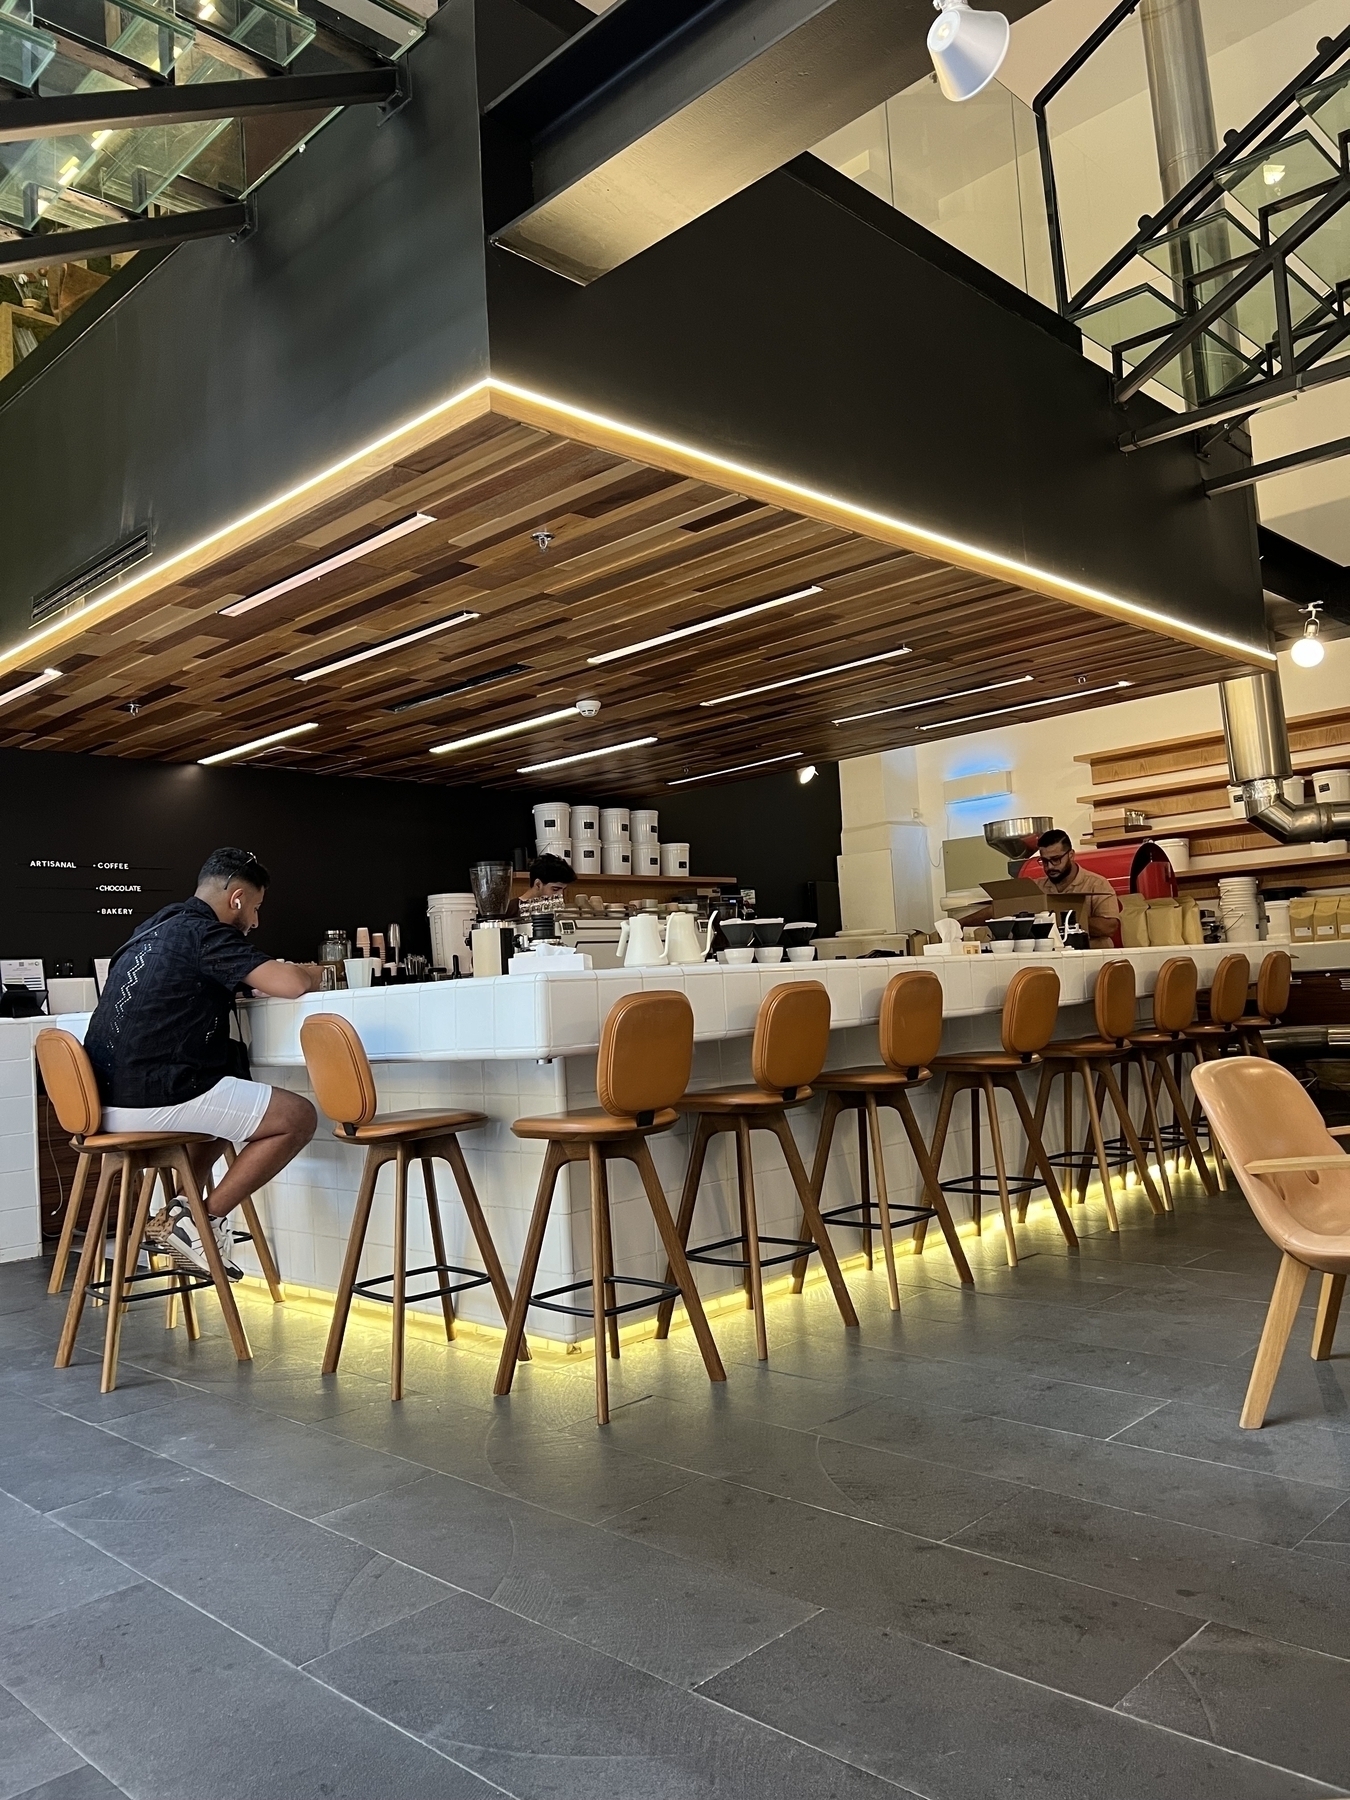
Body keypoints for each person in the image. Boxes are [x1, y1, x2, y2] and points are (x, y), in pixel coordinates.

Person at [83, 847, 324, 1278]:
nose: (255, 921)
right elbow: (289, 984)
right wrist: (312, 971)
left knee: (229, 1083)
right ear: (236, 899)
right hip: (150, 1096)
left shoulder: (153, 928)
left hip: (100, 1101)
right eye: (255, 908)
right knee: (298, 1117)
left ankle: (179, 1214)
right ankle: (201, 1220)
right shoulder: (206, 933)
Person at [1032, 828, 1121, 948]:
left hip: (1092, 956)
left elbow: (1109, 927)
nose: (1050, 866)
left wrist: (1065, 922)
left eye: (1056, 859)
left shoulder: (1097, 884)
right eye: (1044, 861)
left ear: (1071, 855)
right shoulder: (1036, 888)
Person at [509, 852, 575, 917]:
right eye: (555, 889)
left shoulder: (558, 911)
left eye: (563, 890)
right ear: (538, 884)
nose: (561, 895)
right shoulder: (511, 910)